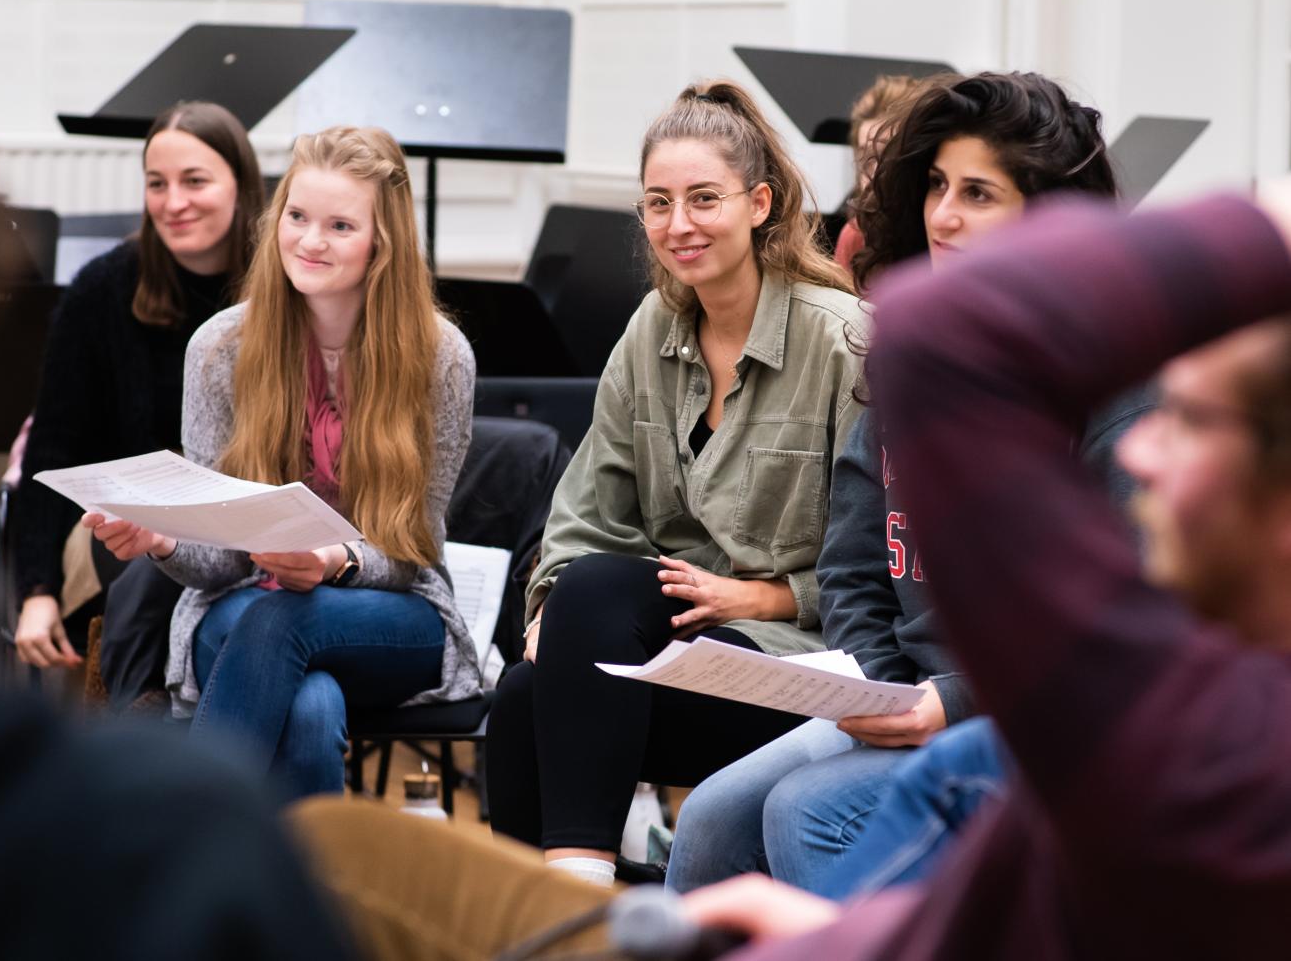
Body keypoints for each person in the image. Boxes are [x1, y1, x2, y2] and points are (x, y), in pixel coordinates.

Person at [680, 185, 1291, 959]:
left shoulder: (1205, 738)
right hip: (931, 719)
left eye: (1192, 423)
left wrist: (1268, 224)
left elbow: (940, 337)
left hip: (966, 714)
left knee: (812, 808)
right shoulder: (1177, 724)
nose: (1142, 451)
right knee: (720, 818)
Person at [667, 72, 1138, 896]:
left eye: (980, 193)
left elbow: (1115, 624)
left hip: (1049, 728)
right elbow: (853, 561)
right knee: (711, 814)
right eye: (936, 186)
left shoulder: (1114, 388)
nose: (944, 215)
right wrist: (881, 690)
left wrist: (947, 705)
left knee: (810, 812)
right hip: (910, 703)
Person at [485, 80, 872, 887]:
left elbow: (883, 564)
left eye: (703, 198)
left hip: (809, 661)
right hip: (690, 646)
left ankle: (573, 905)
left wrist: (767, 597)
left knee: (580, 623)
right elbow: (590, 509)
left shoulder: (842, 341)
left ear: (760, 202)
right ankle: (559, 914)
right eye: (658, 204)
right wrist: (551, 602)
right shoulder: (650, 332)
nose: (678, 225)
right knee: (524, 692)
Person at [88, 126, 479, 800]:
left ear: (382, 243)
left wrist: (331, 562)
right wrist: (163, 540)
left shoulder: (439, 357)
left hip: (393, 614)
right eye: (296, 217)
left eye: (339, 226)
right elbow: (215, 563)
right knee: (310, 706)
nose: (309, 240)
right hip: (238, 611)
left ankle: (180, 852)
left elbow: (413, 550)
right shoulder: (221, 348)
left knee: (285, 621)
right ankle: (300, 900)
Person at [13, 102, 264, 711]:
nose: (173, 202)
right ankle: (143, 720)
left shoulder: (281, 287)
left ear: (241, 186)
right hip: (115, 521)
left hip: (246, 516)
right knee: (156, 546)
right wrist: (37, 590)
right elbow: (53, 446)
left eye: (195, 181)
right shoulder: (103, 288)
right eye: (157, 184)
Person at [832, 74, 929, 271]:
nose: (875, 175)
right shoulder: (856, 236)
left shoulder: (946, 233)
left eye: (890, 157)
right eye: (866, 159)